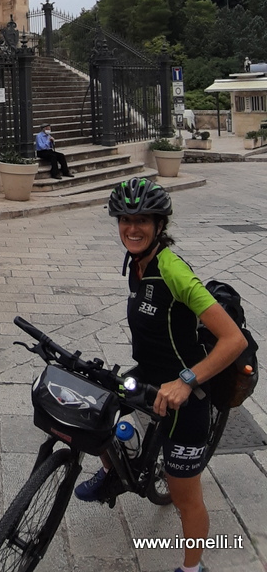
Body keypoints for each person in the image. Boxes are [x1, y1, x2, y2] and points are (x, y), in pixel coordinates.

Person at [74, 177, 247, 572]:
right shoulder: (137, 262)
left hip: (187, 392)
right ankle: (113, 476)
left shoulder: (173, 270)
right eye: (124, 220)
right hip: (149, 374)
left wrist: (186, 382)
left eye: (142, 221)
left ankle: (192, 567)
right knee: (94, 408)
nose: (132, 228)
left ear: (159, 226)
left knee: (186, 497)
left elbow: (233, 340)